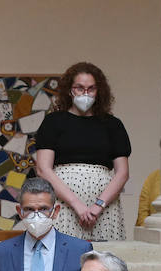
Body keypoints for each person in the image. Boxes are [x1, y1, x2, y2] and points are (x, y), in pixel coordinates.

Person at [34, 62, 131, 242]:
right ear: (69, 90)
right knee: (63, 254)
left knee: (104, 257)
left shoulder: (113, 125)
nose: (85, 93)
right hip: (63, 204)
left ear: (99, 91)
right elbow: (43, 169)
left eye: (91, 89)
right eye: (79, 88)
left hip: (105, 209)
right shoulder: (53, 122)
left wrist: (98, 206)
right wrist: (76, 204)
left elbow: (122, 173)